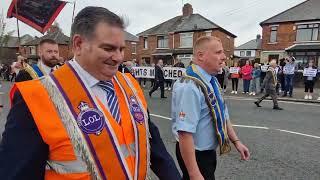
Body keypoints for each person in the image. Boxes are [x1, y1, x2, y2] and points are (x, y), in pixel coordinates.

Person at [0, 7, 181, 180]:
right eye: (109, 48)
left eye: (121, 49)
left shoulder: (130, 84)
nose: (118, 57)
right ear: (78, 44)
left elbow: (154, 146)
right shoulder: (36, 97)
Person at [172, 36, 250, 180]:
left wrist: (236, 142)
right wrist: (194, 173)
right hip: (194, 154)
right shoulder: (190, 86)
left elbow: (222, 114)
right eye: (218, 52)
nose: (224, 57)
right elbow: (184, 133)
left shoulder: (211, 80)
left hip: (206, 153)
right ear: (201, 56)